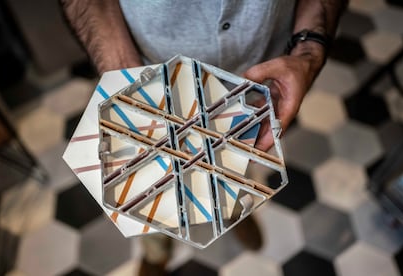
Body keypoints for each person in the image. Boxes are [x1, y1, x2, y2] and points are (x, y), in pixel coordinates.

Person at [60, 1, 347, 275]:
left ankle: (232, 210)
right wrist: (125, 78)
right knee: (148, 187)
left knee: (236, 166)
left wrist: (309, 51)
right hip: (149, 76)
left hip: (253, 82)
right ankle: (156, 252)